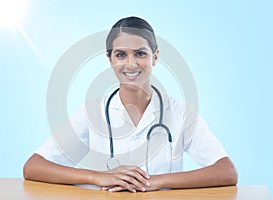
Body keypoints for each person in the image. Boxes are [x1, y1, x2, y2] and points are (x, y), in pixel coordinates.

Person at [23, 16, 238, 193]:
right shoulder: (92, 112)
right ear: (110, 59)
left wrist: (155, 181)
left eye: (140, 54)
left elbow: (227, 172)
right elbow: (33, 166)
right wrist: (98, 177)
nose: (131, 64)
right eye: (121, 54)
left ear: (155, 57)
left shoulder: (181, 112)